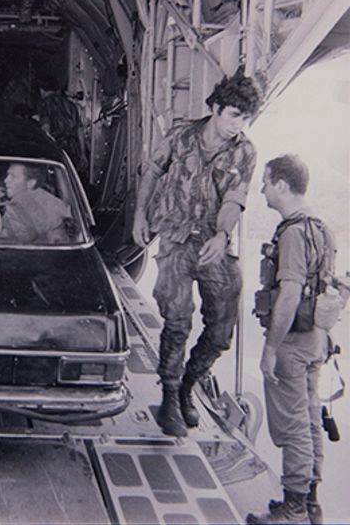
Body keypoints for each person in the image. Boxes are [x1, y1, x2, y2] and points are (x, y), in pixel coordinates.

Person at [132, 71, 261, 437]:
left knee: (221, 330)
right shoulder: (180, 135)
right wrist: (140, 214)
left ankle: (190, 383)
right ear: (216, 108)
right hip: (174, 239)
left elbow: (234, 198)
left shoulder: (244, 151)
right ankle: (170, 394)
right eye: (234, 115)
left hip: (211, 241)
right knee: (176, 321)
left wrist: (222, 234)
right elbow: (151, 173)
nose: (239, 124)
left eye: (245, 118)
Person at [246, 155, 342, 525]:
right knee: (310, 419)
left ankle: (294, 510)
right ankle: (310, 503)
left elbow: (288, 295)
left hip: (292, 342)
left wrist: (270, 349)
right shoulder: (321, 228)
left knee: (293, 426)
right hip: (315, 338)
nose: (263, 190)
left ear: (282, 185)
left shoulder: (292, 233)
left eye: (267, 182)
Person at [36, 75, 82, 168]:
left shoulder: (44, 104)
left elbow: (46, 127)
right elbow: (79, 130)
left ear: (41, 90)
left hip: (58, 148)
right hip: (74, 149)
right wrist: (83, 154)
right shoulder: (71, 105)